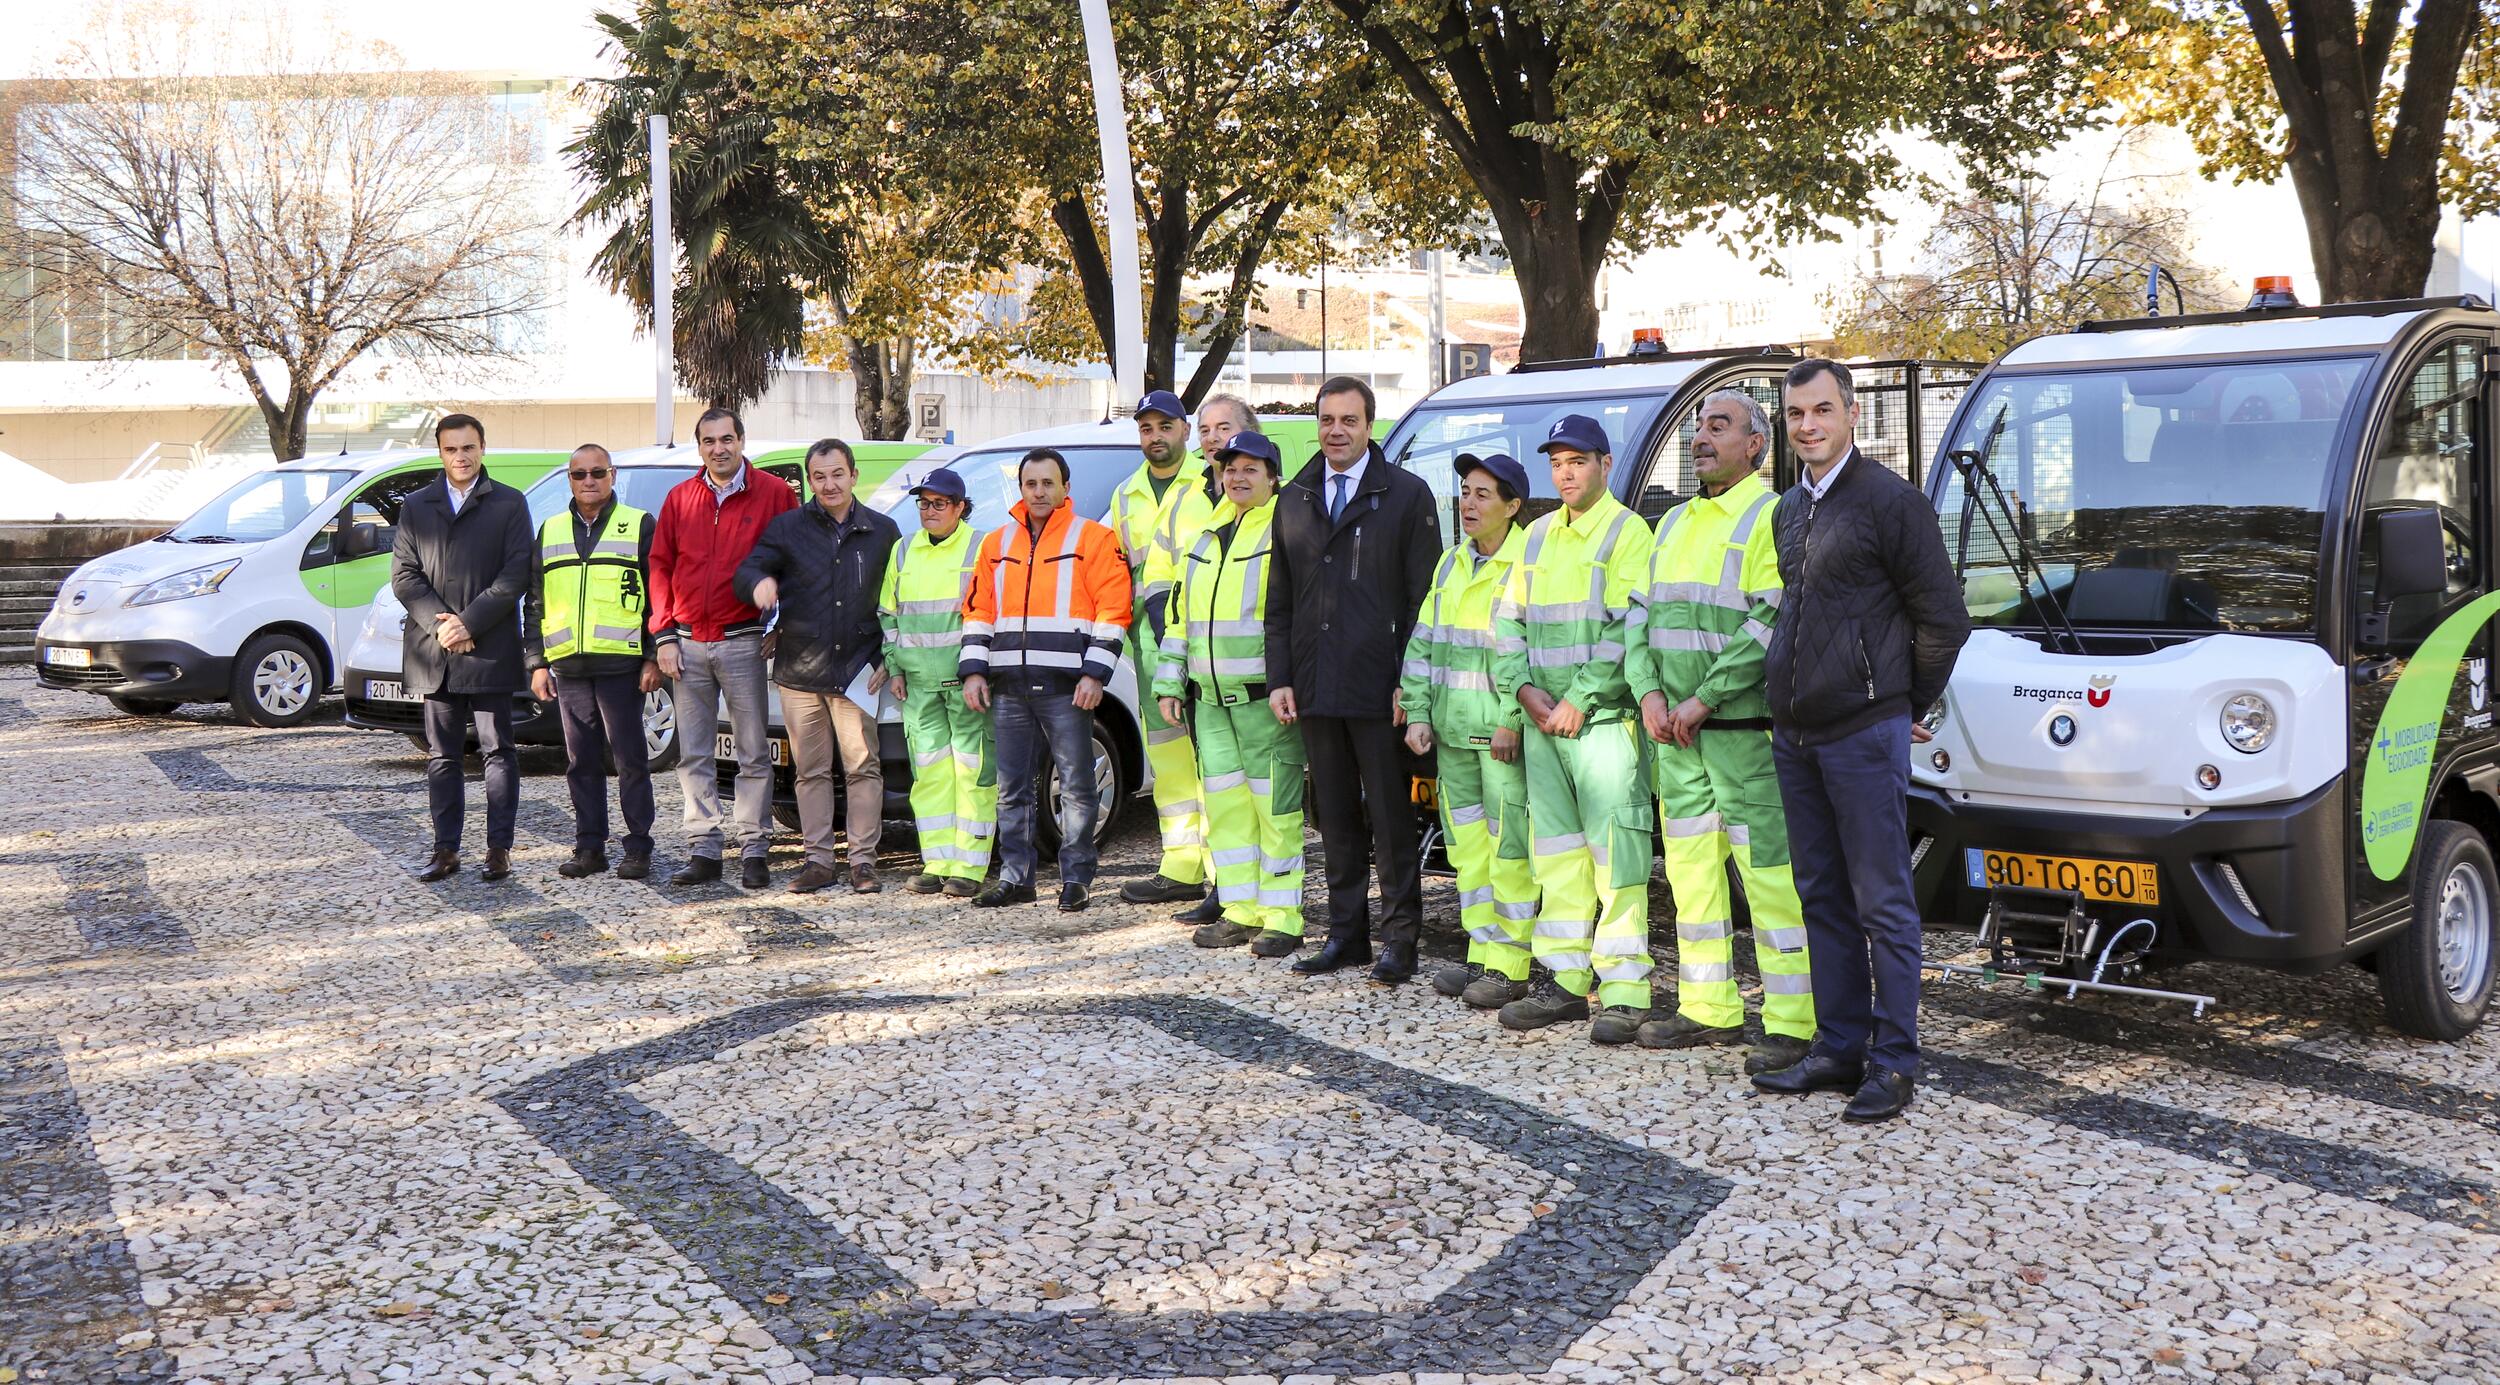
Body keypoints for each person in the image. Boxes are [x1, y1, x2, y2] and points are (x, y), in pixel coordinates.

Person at [1753, 358, 1971, 1123]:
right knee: (1822, 894)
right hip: (1797, 733)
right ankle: (1838, 1046)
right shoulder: (1787, 509)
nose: (1807, 425)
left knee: (1882, 900)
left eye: (1821, 410)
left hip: (1861, 731)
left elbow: (1944, 618)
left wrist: (1906, 700)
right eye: (1796, 414)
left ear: (1850, 412)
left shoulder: (1891, 502)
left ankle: (1894, 1061)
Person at [1626, 391, 1815, 1074]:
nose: (1702, 437)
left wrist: (1702, 698)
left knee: (1768, 878)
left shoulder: (1769, 517)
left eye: (1719, 426)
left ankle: (1795, 1019)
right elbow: (1637, 618)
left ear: (1757, 444)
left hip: (1742, 734)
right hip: (1676, 740)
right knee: (1691, 875)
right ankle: (1709, 1008)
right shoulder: (1671, 521)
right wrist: (1648, 691)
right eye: (1698, 426)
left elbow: (1769, 621)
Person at [1264, 376, 1440, 983]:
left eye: (1349, 420)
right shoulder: (1295, 498)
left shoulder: (1406, 496)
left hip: (1379, 687)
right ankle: (1347, 935)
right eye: (1327, 420)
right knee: (1334, 817)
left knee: (1391, 819)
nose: (1336, 431)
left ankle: (1400, 939)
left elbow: (1424, 602)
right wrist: (1280, 677)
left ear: (1371, 427)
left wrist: (1409, 682)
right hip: (1315, 685)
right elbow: (1279, 601)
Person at [1491, 414, 1658, 1043]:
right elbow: (1506, 624)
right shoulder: (1534, 537)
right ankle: (1564, 981)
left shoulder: (1627, 533)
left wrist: (1580, 699)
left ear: (1605, 465)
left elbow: (1627, 628)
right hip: (1544, 726)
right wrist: (1526, 693)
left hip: (1603, 726)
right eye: (1557, 462)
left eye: (1577, 461)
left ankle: (1622, 990)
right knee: (1556, 858)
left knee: (1616, 859)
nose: (1565, 473)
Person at [1153, 431, 1306, 955]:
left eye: (1250, 469)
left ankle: (1283, 917)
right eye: (1229, 469)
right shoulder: (1204, 536)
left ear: (1272, 476)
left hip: (1266, 701)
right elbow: (1180, 619)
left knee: (1276, 812)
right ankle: (1241, 909)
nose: (1237, 477)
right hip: (1211, 702)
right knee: (1227, 810)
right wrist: (1170, 679)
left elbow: (1295, 620)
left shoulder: (1286, 531)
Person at [961, 448, 1132, 912]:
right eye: (1030, 484)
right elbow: (978, 612)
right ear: (1020, 488)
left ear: (1065, 488)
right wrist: (975, 669)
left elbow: (1113, 611)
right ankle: (1017, 878)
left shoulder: (1093, 538)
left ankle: (1076, 878)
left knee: (1077, 787)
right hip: (1009, 687)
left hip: (1066, 685)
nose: (1038, 492)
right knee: (1011, 788)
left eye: (1047, 483)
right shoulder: (996, 544)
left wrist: (1096, 674)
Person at [1402, 453, 1540, 1009]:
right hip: (1452, 734)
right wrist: (1416, 711)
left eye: (1484, 494)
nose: (1469, 503)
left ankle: (1512, 962)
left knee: (1509, 851)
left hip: (1498, 737)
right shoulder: (1451, 563)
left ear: (1512, 506)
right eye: (1465, 491)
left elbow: (1530, 651)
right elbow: (1423, 642)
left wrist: (1511, 718)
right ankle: (1483, 952)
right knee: (1468, 851)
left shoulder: (1527, 564)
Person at [735, 440, 900, 894]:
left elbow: (897, 602)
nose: (829, 484)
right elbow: (749, 568)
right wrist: (761, 583)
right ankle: (818, 861)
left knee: (863, 767)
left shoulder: (884, 532)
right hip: (800, 671)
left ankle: (863, 862)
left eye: (837, 474)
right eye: (820, 477)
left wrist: (889, 655)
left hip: (858, 670)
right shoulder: (788, 528)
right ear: (810, 480)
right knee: (810, 771)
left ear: (853, 475)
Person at [649, 407, 797, 890]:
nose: (719, 448)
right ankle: (704, 849)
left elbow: (795, 562)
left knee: (754, 751)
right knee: (693, 753)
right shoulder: (680, 498)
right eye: (709, 441)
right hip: (688, 644)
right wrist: (664, 635)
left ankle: (755, 848)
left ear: (742, 441)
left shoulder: (775, 495)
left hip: (743, 642)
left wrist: (782, 621)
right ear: (699, 447)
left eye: (727, 438)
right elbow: (661, 567)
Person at [392, 412, 535, 883]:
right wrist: (444, 628)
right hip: (436, 655)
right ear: (440, 452)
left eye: (468, 447)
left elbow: (515, 575)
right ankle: (446, 850)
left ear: (482, 448)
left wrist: (469, 622)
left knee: (498, 752)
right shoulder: (417, 505)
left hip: (488, 648)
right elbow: (405, 577)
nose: (461, 456)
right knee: (442, 757)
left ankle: (499, 850)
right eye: (452, 448)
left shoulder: (510, 504)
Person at [523, 443, 660, 882]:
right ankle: (589, 847)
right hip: (568, 667)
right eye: (579, 474)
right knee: (580, 760)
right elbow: (536, 602)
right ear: (569, 479)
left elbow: (658, 597)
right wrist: (537, 662)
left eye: (597, 473)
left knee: (629, 758)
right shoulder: (551, 530)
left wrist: (653, 655)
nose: (588, 481)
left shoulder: (638, 525)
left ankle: (638, 847)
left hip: (621, 664)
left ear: (612, 475)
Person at [1106, 390, 1216, 916]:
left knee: (1214, 759)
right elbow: (1120, 569)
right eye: (1146, 428)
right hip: (1151, 646)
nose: (1155, 437)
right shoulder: (1126, 494)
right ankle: (1180, 865)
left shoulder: (1211, 480)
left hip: (1208, 640)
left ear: (1185, 431)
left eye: (1164, 427)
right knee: (1170, 757)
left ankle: (1225, 873)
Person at [877, 468, 993, 897]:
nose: (929, 511)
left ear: (960, 508)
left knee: (971, 772)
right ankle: (937, 861)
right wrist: (896, 665)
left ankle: (970, 866)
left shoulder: (981, 548)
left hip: (966, 684)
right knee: (930, 777)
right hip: (920, 686)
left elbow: (987, 615)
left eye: (938, 503)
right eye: (923, 503)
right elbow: (889, 615)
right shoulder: (904, 550)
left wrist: (978, 672)